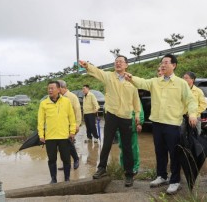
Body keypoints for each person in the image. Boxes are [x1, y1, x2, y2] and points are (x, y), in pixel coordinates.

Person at [124, 53, 197, 194]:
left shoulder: (181, 83)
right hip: (157, 123)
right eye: (161, 62)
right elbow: (142, 82)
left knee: (174, 153)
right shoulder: (156, 81)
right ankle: (162, 176)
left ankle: (175, 181)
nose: (162, 65)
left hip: (173, 124)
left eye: (166, 62)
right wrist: (131, 78)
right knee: (160, 151)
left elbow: (191, 100)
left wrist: (192, 114)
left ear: (174, 65)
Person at [79, 56, 141, 187]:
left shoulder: (131, 80)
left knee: (127, 146)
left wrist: (137, 114)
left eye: (120, 62)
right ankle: (101, 168)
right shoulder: (108, 76)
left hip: (126, 117)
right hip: (112, 115)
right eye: (116, 62)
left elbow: (136, 99)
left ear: (126, 65)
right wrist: (87, 66)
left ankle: (129, 174)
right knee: (106, 143)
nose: (118, 63)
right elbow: (97, 72)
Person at [37, 81, 76, 183]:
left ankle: (67, 178)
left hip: (64, 136)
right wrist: (41, 135)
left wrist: (72, 132)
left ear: (58, 89)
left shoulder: (66, 101)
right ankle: (53, 179)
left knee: (66, 159)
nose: (50, 90)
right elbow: (40, 121)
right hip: (50, 137)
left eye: (52, 88)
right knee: (52, 159)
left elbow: (72, 118)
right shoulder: (44, 103)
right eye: (49, 88)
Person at [57, 80, 82, 170]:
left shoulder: (72, 97)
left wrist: (77, 125)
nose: (57, 90)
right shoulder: (59, 97)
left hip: (71, 125)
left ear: (63, 88)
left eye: (58, 88)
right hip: (61, 125)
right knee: (61, 146)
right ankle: (66, 164)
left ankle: (76, 159)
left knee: (68, 143)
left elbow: (78, 110)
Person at [117, 102, 144, 175]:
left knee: (133, 148)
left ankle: (134, 167)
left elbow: (139, 109)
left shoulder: (134, 93)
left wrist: (139, 123)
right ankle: (123, 166)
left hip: (132, 125)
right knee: (122, 147)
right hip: (121, 126)